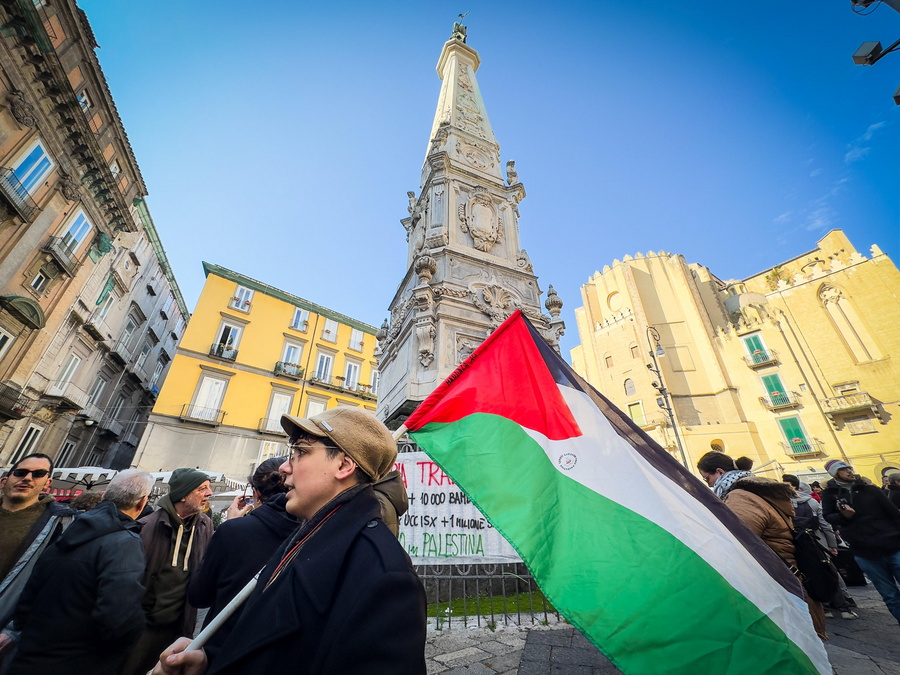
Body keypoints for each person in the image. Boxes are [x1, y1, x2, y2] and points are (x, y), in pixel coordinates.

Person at [153, 407, 426, 674]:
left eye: (301, 452)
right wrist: (210, 662)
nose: (284, 467)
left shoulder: (385, 576)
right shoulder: (307, 535)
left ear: (343, 465)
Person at [4, 470, 154, 674]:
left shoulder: (73, 527)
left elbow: (31, 590)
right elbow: (118, 617)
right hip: (79, 661)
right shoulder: (125, 542)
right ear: (142, 502)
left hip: (30, 654)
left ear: (105, 495)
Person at [698, 453, 828, 640]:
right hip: (789, 580)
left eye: (707, 478)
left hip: (778, 585)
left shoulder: (740, 497)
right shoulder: (759, 491)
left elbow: (740, 542)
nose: (709, 484)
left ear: (719, 471)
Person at [187, 458, 299, 653]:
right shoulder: (313, 533)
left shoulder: (232, 532)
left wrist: (230, 526)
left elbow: (199, 596)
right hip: (278, 652)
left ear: (255, 493)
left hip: (221, 648)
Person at [123, 468, 214, 675]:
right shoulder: (146, 526)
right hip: (142, 629)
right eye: (203, 488)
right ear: (183, 494)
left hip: (179, 629)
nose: (209, 493)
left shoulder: (204, 525)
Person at [0, 454, 76, 644]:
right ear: (4, 480)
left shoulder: (60, 524)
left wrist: (14, 629)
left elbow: (52, 584)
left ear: (47, 484)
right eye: (20, 472)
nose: (27, 478)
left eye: (38, 474)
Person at [821, 459, 900, 626]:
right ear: (835, 474)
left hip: (892, 545)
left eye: (849, 468)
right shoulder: (830, 494)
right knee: (890, 595)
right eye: (843, 469)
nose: (849, 471)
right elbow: (827, 516)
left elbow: (894, 513)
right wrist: (843, 516)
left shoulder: (870, 489)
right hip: (864, 551)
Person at [782, 474, 857, 620]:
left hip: (798, 543)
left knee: (810, 575)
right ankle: (844, 605)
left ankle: (825, 607)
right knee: (829, 572)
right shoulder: (812, 502)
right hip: (818, 541)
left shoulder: (783, 504)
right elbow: (825, 525)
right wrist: (832, 544)